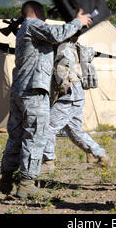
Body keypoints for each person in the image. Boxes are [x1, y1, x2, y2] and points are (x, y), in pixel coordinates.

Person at [0, 1, 93, 198]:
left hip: (20, 91)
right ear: (36, 12)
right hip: (34, 91)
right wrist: (77, 21)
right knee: (36, 134)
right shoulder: (32, 24)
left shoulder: (28, 31)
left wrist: (75, 27)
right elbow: (56, 34)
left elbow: (58, 40)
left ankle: (5, 182)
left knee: (16, 137)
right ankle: (26, 183)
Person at [40, 38, 111, 174]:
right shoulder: (70, 47)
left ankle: (48, 161)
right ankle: (102, 156)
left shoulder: (64, 49)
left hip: (69, 96)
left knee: (48, 127)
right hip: (75, 95)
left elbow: (63, 72)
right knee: (74, 132)